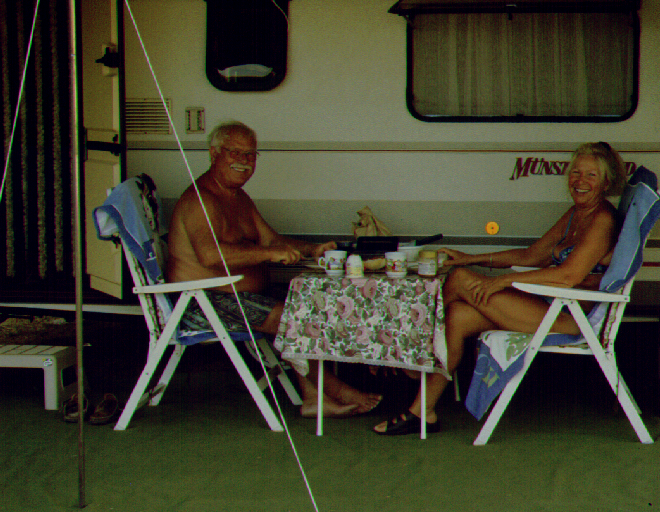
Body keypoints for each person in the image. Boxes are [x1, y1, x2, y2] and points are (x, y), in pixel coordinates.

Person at [374, 142, 628, 435]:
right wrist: (472, 258)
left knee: (459, 279)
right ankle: (422, 412)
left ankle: (414, 348)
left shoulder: (602, 220)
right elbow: (532, 255)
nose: (580, 181)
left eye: (591, 175)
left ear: (606, 182)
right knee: (456, 316)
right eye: (575, 172)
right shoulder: (577, 214)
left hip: (572, 318)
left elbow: (568, 275)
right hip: (551, 305)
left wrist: (503, 280)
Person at [167, 120, 381, 418]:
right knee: (292, 317)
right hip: (204, 303)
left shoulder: (237, 197)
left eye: (250, 154)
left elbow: (271, 240)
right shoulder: (200, 200)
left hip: (239, 298)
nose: (244, 161)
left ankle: (312, 398)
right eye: (235, 152)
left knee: (311, 304)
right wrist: (269, 254)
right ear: (214, 153)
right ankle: (336, 390)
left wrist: (310, 249)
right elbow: (210, 255)